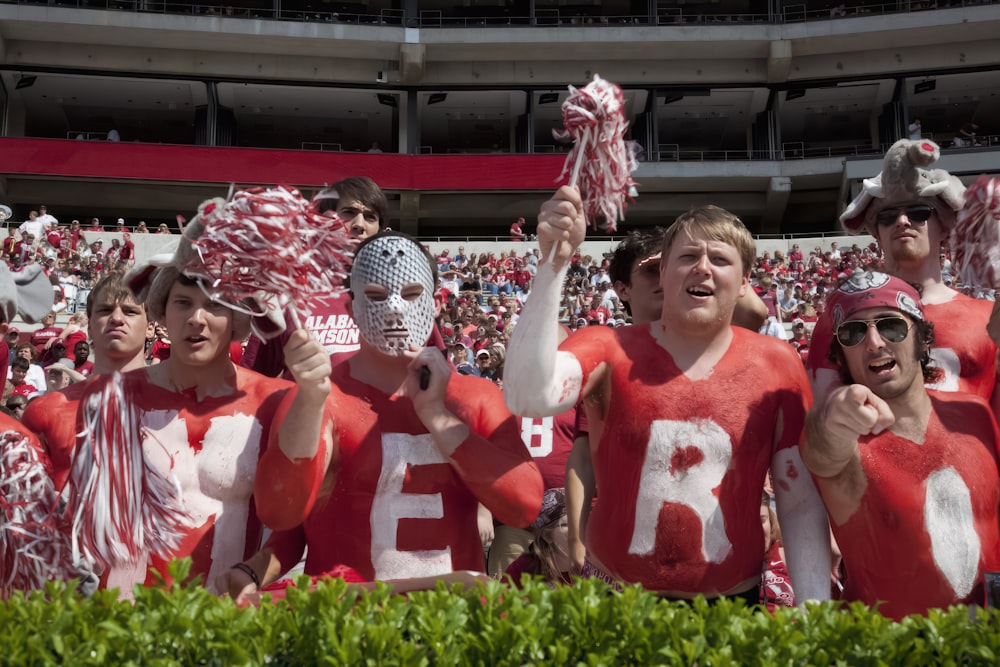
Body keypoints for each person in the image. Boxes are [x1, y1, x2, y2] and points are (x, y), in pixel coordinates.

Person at [504, 186, 830, 602]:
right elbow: (527, 396)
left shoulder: (777, 363)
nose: (703, 268)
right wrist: (552, 264)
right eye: (688, 257)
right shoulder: (608, 347)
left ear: (745, 280)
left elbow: (798, 499)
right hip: (617, 594)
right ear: (663, 272)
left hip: (731, 598)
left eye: (720, 259)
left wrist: (813, 607)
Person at [22, 201, 336, 596]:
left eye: (214, 307)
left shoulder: (274, 402)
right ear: (163, 312)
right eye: (183, 303)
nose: (196, 318)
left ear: (238, 320)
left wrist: (252, 574)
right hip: (118, 623)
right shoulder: (104, 399)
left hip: (224, 625)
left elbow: (294, 526)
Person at [221, 232, 543, 600]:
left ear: (436, 302)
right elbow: (282, 514)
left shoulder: (476, 398)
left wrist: (439, 418)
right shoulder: (321, 399)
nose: (393, 308)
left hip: (445, 627)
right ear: (351, 307)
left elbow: (524, 507)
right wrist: (310, 401)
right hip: (348, 625)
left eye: (409, 294)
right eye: (375, 295)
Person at [802, 272, 1000, 619]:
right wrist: (832, 415)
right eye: (854, 333)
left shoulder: (976, 415)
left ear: (923, 340)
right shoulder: (844, 438)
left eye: (891, 326)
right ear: (841, 356)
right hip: (890, 649)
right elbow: (821, 450)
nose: (875, 343)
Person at [815, 139, 998, 414]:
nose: (902, 221)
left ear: (945, 226)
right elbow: (819, 418)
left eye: (918, 212)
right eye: (887, 216)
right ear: (876, 231)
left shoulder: (988, 318)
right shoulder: (841, 318)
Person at [242, 176, 388, 376]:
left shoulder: (401, 296)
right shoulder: (287, 295)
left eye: (370, 217)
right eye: (349, 213)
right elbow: (254, 381)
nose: (359, 225)